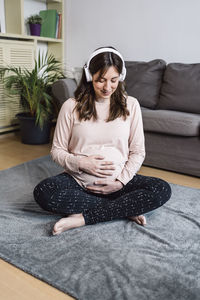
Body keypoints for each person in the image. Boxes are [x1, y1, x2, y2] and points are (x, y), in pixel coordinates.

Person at [33, 47, 172, 235]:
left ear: (120, 77)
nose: (107, 87)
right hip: (79, 181)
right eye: (101, 80)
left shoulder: (131, 105)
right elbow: (57, 151)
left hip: (119, 182)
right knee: (44, 192)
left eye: (113, 80)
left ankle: (82, 218)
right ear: (89, 76)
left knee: (161, 188)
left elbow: (138, 152)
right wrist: (81, 163)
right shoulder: (71, 106)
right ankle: (124, 209)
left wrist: (120, 182)